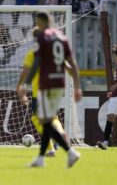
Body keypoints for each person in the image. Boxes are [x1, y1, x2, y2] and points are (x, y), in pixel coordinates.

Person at [19, 11, 82, 168]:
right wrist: (77, 86)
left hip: (46, 84)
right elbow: (72, 63)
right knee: (47, 120)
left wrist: (25, 85)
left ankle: (70, 151)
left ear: (40, 22)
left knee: (44, 121)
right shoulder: (61, 37)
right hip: (59, 83)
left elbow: (37, 62)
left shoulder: (43, 37)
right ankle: (41, 158)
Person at [16, 27, 65, 157]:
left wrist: (19, 86)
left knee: (38, 119)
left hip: (40, 92)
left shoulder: (33, 53)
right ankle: (59, 134)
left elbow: (26, 71)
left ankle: (51, 146)